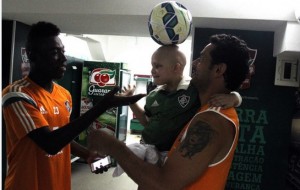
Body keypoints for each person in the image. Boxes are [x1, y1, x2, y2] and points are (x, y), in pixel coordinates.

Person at [88, 33, 250, 190]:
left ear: (218, 70)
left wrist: (111, 144)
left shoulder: (212, 121)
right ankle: (100, 161)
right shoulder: (204, 110)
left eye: (201, 59)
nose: (194, 63)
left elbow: (163, 184)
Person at [1, 21, 144, 190]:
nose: (63, 59)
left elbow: (62, 137)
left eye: (63, 52)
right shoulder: (17, 95)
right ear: (32, 55)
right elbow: (50, 143)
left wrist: (87, 154)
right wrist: (102, 106)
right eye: (55, 53)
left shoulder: (64, 95)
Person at [121, 45, 242, 164]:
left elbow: (222, 93)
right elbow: (146, 121)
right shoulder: (153, 95)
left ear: (176, 67)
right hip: (147, 149)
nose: (152, 71)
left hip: (173, 156)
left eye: (158, 66)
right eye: (152, 65)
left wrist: (234, 98)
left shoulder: (193, 89)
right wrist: (130, 101)